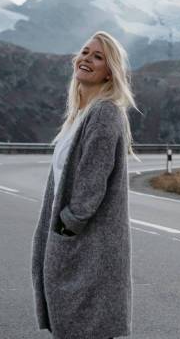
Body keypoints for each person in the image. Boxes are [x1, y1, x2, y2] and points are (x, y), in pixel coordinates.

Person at [31, 31, 140, 339]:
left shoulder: (105, 113)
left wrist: (69, 224)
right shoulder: (79, 116)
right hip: (75, 245)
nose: (86, 59)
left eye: (98, 56)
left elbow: (93, 182)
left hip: (89, 248)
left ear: (110, 72)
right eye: (85, 52)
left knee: (87, 328)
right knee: (78, 328)